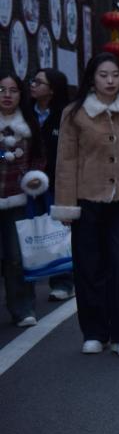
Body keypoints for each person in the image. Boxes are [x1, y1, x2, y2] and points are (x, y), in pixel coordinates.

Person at [51, 54, 119, 357]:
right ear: (92, 78)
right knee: (89, 267)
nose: (110, 80)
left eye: (115, 75)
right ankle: (95, 332)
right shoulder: (74, 113)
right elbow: (66, 160)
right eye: (103, 75)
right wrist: (65, 204)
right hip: (86, 199)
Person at [0, 72, 48, 327]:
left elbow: (39, 157)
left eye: (13, 90)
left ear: (21, 94)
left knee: (16, 257)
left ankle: (23, 307)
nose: (7, 95)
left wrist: (34, 178)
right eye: (2, 90)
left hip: (18, 199)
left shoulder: (29, 124)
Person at [29, 68, 74, 301]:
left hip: (56, 183)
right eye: (33, 81)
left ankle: (63, 282)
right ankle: (28, 285)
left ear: (52, 89)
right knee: (30, 231)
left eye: (39, 82)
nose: (33, 85)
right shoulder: (25, 113)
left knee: (58, 233)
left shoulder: (65, 115)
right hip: (26, 184)